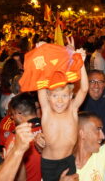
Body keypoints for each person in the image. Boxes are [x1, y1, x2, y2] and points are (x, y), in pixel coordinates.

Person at [37, 46, 88, 181]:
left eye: (64, 96)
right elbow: (41, 83)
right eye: (55, 96)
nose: (60, 101)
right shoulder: (46, 111)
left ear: (71, 96)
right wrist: (42, 55)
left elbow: (84, 89)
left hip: (69, 160)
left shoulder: (73, 110)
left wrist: (81, 63)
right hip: (49, 164)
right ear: (48, 97)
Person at [4, 93, 42, 181]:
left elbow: (12, 172)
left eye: (12, 115)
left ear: (18, 115)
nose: (12, 118)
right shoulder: (50, 127)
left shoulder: (15, 138)